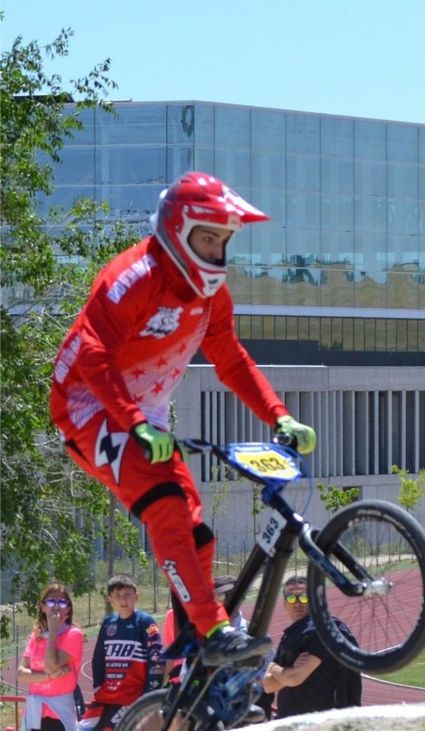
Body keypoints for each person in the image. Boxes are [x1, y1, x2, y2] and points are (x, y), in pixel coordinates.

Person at [49, 172, 317, 667]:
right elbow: (93, 354)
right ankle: (215, 628)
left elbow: (231, 360)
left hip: (140, 413)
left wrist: (278, 415)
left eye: (224, 240)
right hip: (88, 406)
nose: (216, 250)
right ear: (177, 230)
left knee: (197, 536)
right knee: (166, 505)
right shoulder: (134, 276)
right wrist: (134, 422)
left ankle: (191, 643)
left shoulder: (213, 294)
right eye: (207, 237)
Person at [260, 576, 361, 718]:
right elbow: (269, 685)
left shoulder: (324, 629)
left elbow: (294, 678)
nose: (296, 603)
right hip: (292, 721)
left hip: (325, 721)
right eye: (291, 598)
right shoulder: (290, 636)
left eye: (303, 597)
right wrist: (287, 672)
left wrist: (272, 667)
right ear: (284, 604)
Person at [82, 575, 164, 731]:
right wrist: (98, 686)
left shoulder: (145, 622)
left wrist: (148, 696)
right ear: (110, 600)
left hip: (132, 699)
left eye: (127, 594)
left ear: (136, 596)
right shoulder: (108, 624)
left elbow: (156, 659)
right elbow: (98, 658)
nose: (123, 600)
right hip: (105, 696)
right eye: (117, 596)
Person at [19, 583, 85, 731]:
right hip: (35, 711)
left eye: (62, 602)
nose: (56, 606)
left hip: (59, 713)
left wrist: (53, 631)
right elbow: (21, 674)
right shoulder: (36, 636)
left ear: (68, 609)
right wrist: (49, 677)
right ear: (43, 607)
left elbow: (50, 666)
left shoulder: (74, 634)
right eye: (50, 601)